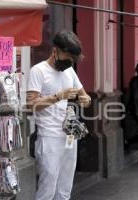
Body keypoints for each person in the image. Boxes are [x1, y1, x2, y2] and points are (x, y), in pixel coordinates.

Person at [27, 30, 91, 200]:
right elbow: (31, 104)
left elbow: (84, 96)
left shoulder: (69, 71)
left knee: (65, 189)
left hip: (69, 136)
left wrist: (85, 99)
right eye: (67, 57)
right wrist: (58, 96)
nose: (70, 62)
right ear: (55, 51)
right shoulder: (38, 71)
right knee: (47, 189)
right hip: (49, 137)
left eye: (73, 59)